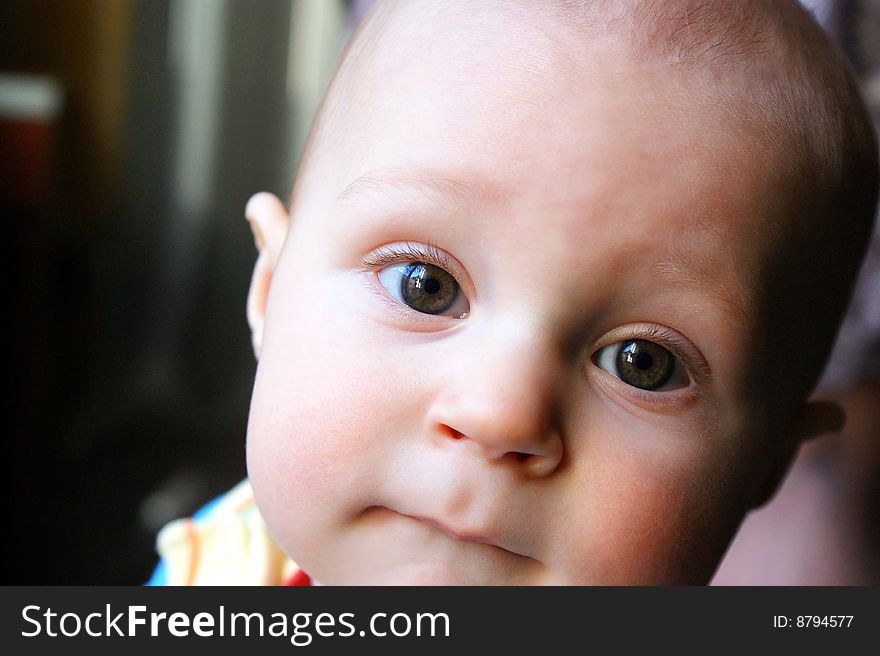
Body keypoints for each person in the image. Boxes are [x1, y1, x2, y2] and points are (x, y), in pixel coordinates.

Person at [148, 0, 879, 585]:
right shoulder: (215, 567)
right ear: (270, 291)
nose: (501, 414)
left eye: (641, 363)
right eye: (425, 287)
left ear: (767, 462)